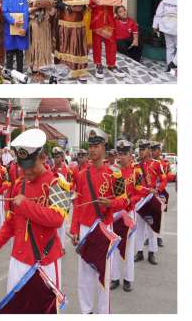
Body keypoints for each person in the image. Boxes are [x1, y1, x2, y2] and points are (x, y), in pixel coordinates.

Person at [0, 129, 70, 313]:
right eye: (23, 166)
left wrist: (26, 205)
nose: (26, 171)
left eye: (31, 165)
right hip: (18, 259)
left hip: (45, 261)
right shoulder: (18, 184)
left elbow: (57, 219)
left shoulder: (56, 184)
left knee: (46, 311)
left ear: (43, 157)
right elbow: (11, 223)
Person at [70, 129, 128, 314]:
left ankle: (104, 313)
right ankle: (86, 311)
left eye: (96, 146)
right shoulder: (81, 174)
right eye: (91, 146)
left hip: (104, 227)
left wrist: (111, 203)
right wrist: (74, 229)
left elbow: (124, 200)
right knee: (84, 275)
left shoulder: (115, 173)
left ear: (104, 147)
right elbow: (77, 203)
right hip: (86, 228)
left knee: (104, 274)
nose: (93, 150)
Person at [88, 0, 125, 79]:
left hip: (109, 18)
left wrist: (119, 0)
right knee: (97, 43)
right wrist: (94, 2)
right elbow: (89, 2)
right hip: (97, 18)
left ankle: (111, 64)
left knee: (111, 42)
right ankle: (98, 64)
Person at [110, 140, 141, 292]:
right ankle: (115, 278)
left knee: (129, 248)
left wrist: (130, 200)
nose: (121, 157)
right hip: (115, 214)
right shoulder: (112, 171)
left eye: (124, 154)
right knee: (115, 246)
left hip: (129, 213)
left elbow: (140, 192)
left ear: (130, 155)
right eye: (119, 154)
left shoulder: (136, 172)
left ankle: (128, 279)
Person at [55, 0, 91, 82]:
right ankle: (64, 70)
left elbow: (85, 1)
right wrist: (65, 6)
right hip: (65, 25)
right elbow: (57, 3)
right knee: (65, 47)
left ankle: (79, 71)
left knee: (78, 47)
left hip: (78, 24)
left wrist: (86, 4)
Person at [134, 140, 166, 263]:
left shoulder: (157, 164)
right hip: (140, 199)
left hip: (152, 198)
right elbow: (135, 184)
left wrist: (158, 189)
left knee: (152, 227)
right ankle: (140, 252)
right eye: (140, 149)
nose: (141, 152)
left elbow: (163, 180)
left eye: (143, 149)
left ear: (148, 150)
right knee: (139, 228)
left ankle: (152, 253)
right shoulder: (136, 166)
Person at [2, 0, 29, 73]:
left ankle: (20, 72)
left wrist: (24, 28)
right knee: (9, 52)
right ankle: (9, 72)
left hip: (20, 30)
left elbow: (25, 14)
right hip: (9, 30)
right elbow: (4, 12)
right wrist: (12, 21)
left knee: (19, 52)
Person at [153, 0, 178, 72]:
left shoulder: (165, 0)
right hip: (176, 27)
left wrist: (155, 26)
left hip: (166, 26)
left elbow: (158, 13)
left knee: (170, 47)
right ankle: (174, 63)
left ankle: (169, 66)